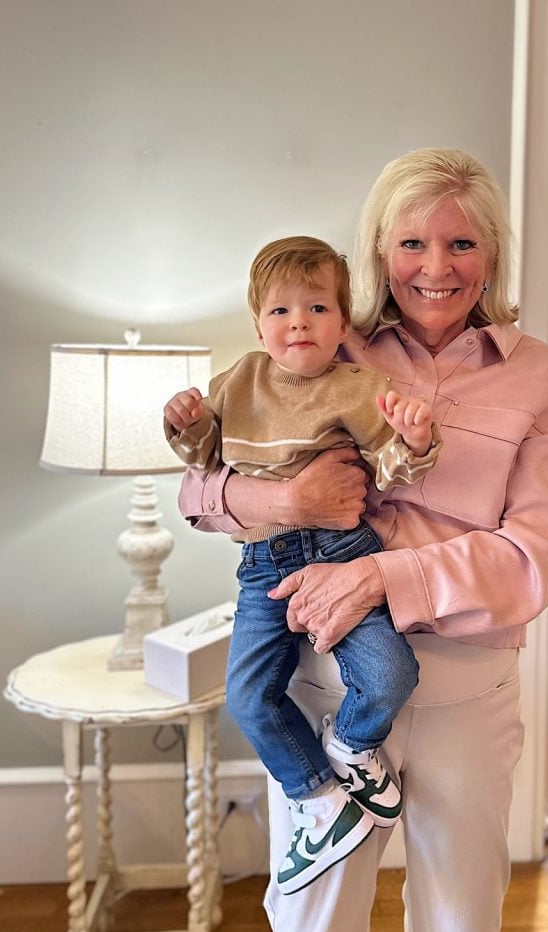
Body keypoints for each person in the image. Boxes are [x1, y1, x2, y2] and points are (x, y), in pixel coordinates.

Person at [169, 148, 548, 932]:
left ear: (493, 255)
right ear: (379, 250)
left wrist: (381, 577)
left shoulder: (538, 375)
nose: (437, 268)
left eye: (462, 244)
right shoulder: (323, 341)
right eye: (412, 243)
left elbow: (539, 552)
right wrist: (284, 498)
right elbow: (199, 495)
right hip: (328, 690)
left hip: (469, 700)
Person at [163, 235, 442, 895]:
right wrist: (184, 423)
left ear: (342, 324)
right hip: (264, 565)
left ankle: (351, 745)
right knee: (249, 697)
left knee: (392, 673)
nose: (299, 325)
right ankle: (316, 796)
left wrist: (416, 436)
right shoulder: (238, 382)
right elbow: (205, 462)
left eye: (317, 309)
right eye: (282, 312)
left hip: (345, 554)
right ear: (259, 324)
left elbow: (392, 472)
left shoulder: (360, 387)